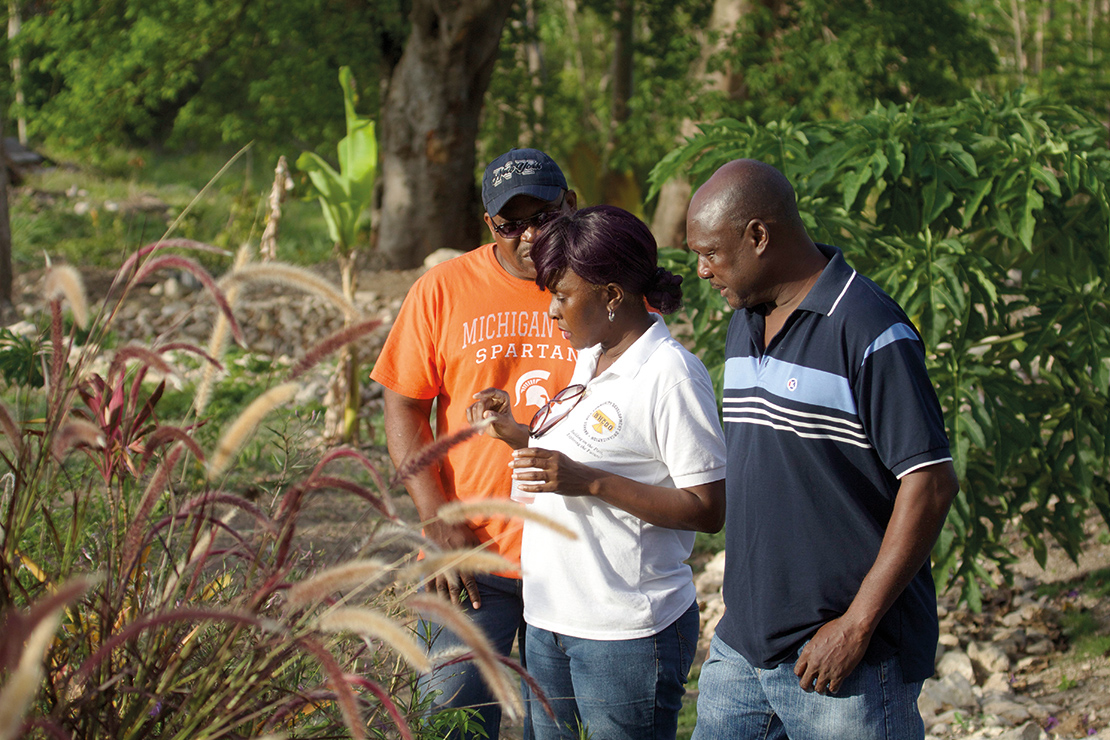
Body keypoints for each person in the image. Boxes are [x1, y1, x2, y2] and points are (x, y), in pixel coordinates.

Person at [684, 159, 960, 740]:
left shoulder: (869, 329)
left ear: (759, 235)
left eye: (710, 253)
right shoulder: (745, 318)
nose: (702, 271)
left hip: (842, 660)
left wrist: (856, 625)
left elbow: (930, 482)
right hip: (742, 646)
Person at [468, 205, 727, 740]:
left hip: (626, 630)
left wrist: (587, 482)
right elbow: (591, 449)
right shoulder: (593, 356)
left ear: (612, 296)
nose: (553, 312)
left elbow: (707, 509)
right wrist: (515, 432)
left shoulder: (670, 376)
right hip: (549, 617)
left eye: (562, 297)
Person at [370, 148, 578, 739]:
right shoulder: (443, 290)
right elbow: (405, 404)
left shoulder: (606, 287)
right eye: (512, 223)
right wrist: (436, 518)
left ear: (570, 205)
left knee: (560, 727)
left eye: (544, 215)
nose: (530, 234)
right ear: (491, 225)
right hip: (471, 557)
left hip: (577, 558)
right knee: (454, 724)